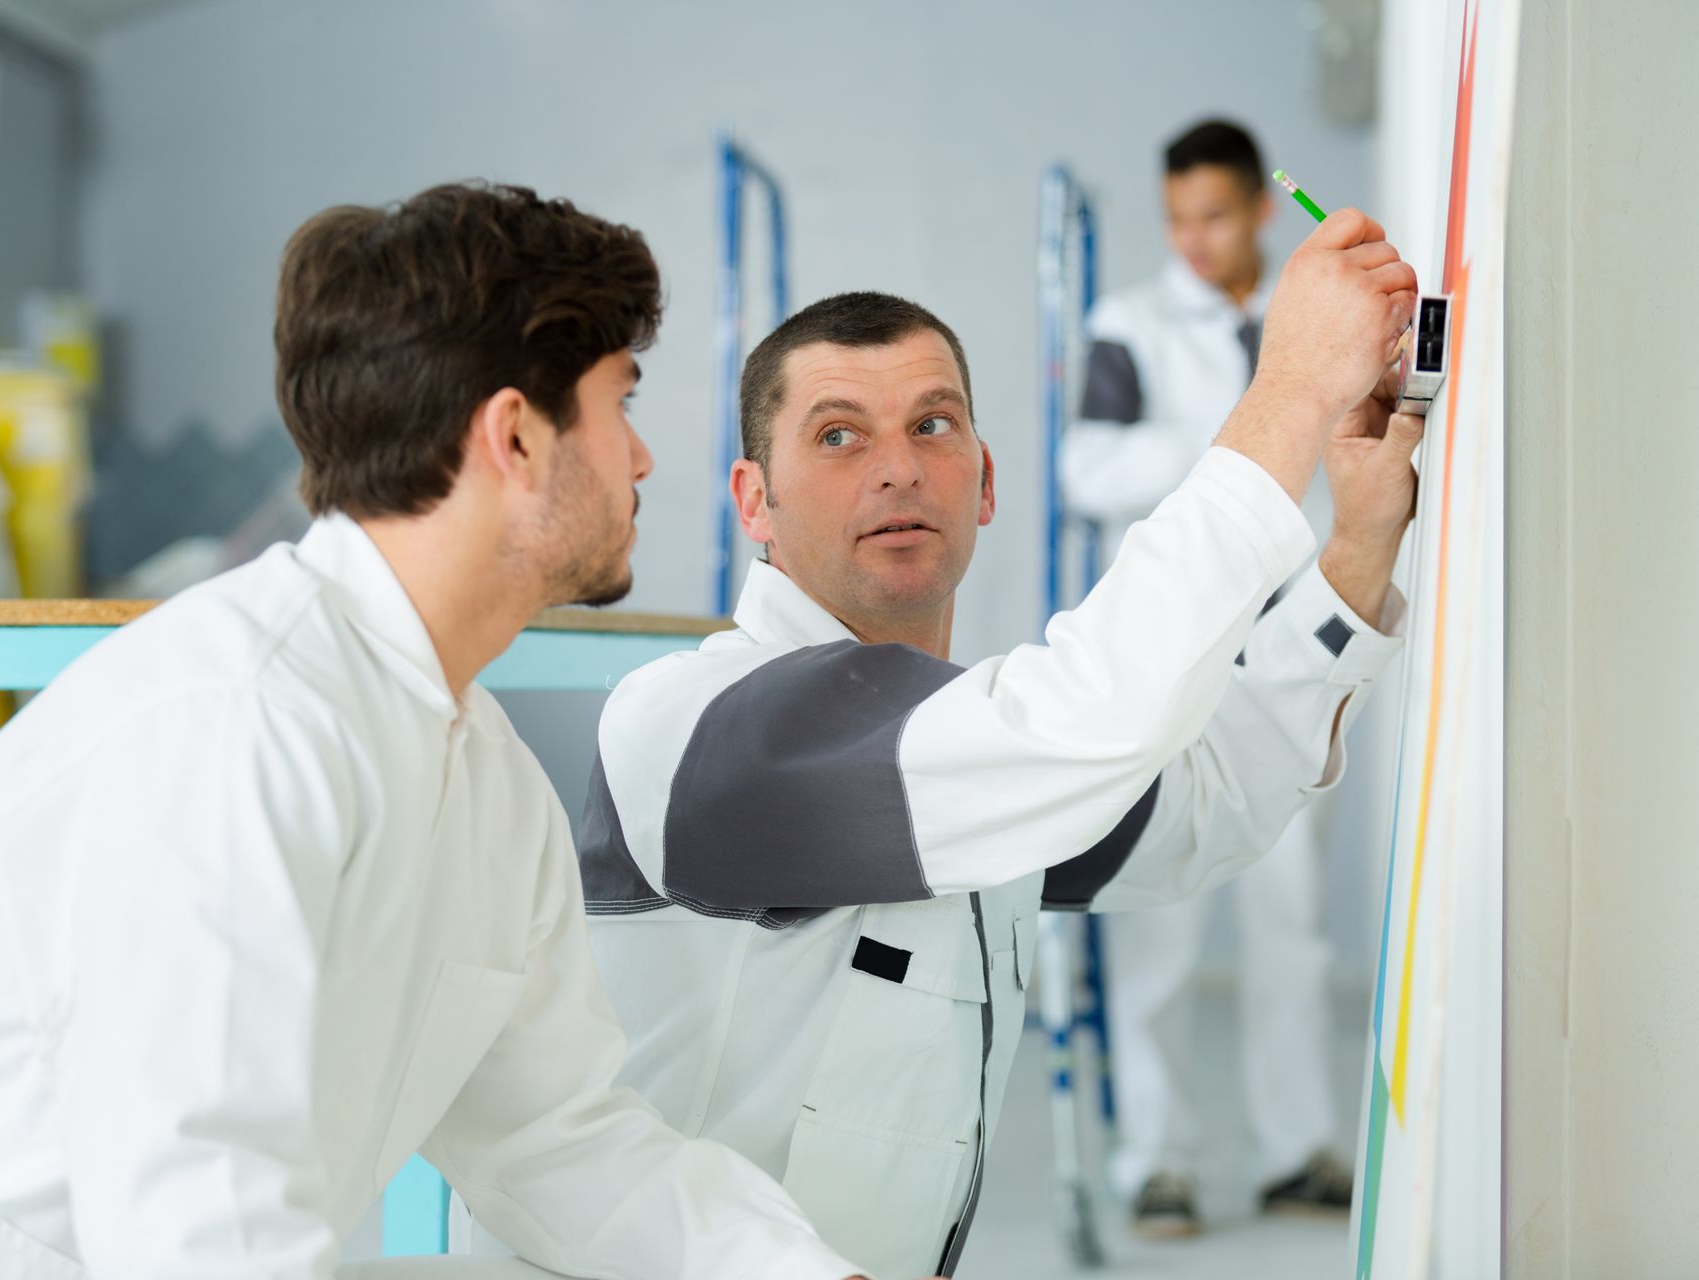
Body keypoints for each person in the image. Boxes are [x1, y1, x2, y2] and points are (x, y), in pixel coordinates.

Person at [0, 184, 879, 1280]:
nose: (640, 459)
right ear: (516, 437)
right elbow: (199, 1214)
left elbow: (560, 1138)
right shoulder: (231, 725)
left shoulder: (481, 773)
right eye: (617, 404)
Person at [456, 205, 1422, 1278]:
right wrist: (1287, 391)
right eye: (836, 435)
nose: (898, 468)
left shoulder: (970, 763)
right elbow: (1089, 720)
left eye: (933, 425)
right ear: (753, 503)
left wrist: (1358, 547)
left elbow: (1201, 804)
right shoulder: (696, 729)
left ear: (986, 480)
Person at [1062, 119, 1364, 1236]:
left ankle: (1297, 1152)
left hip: (1290, 658)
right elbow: (1087, 465)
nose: (1193, 239)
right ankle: (1160, 1163)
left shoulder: (1312, 320)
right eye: (1176, 218)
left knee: (1291, 931)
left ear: (1259, 208)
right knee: (1161, 930)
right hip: (1173, 667)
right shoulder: (1128, 326)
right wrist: (1242, 428)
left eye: (1217, 217)